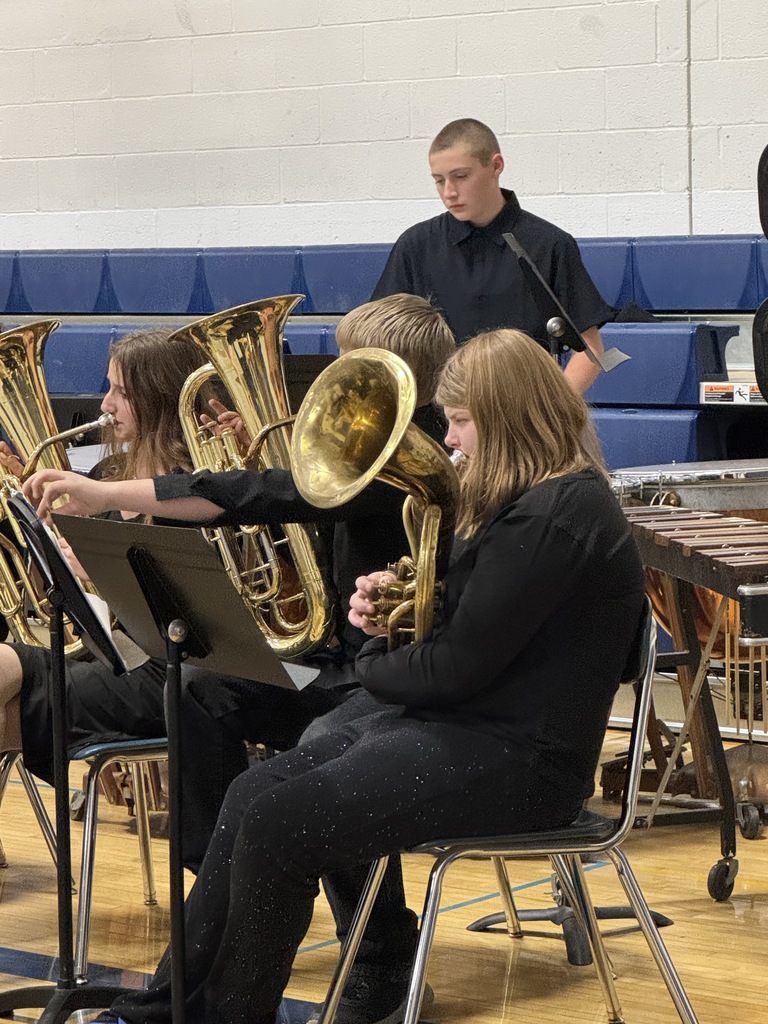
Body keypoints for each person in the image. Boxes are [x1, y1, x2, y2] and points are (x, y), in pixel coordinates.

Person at [60, 327, 645, 1024]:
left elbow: (452, 669)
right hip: (471, 732)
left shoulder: (554, 518)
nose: (451, 439)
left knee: (280, 824)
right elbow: (466, 635)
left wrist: (369, 648)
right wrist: (394, 607)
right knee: (253, 793)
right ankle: (166, 1008)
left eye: (460, 421)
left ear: (509, 420)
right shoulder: (529, 505)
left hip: (523, 763)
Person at [23, 294, 457, 882]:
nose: (336, 382)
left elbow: (264, 494)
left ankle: (379, 952)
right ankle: (212, 877)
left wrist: (106, 496)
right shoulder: (359, 452)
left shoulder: (405, 460)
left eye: (355, 368)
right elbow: (281, 495)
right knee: (200, 687)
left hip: (383, 682)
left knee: (318, 762)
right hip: (330, 668)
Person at [0, 329, 322, 827]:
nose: (105, 404)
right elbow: (95, 620)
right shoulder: (110, 475)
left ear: (158, 397)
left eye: (121, 392)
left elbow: (217, 611)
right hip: (129, 665)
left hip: (175, 672)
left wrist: (101, 573)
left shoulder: (203, 481)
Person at [372, 117, 615, 394]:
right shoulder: (415, 245)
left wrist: (552, 413)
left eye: (461, 176)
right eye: (439, 181)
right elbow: (378, 341)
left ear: (496, 166)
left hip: (519, 417)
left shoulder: (550, 244)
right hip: (436, 419)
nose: (449, 192)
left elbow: (590, 350)